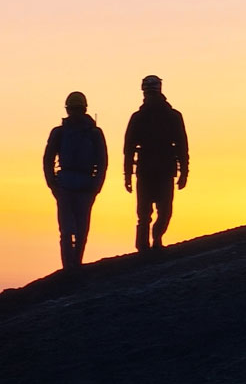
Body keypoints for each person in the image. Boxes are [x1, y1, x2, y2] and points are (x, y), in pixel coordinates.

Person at [123, 74, 189, 252]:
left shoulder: (166, 116)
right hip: (154, 169)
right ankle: (148, 244)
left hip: (158, 168)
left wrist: (127, 174)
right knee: (154, 211)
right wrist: (184, 172)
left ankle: (150, 243)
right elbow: (129, 148)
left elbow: (128, 148)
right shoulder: (169, 116)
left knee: (151, 212)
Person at [43, 91, 108, 269]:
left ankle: (72, 266)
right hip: (75, 186)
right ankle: (71, 266)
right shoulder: (89, 132)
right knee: (75, 230)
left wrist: (53, 184)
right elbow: (103, 162)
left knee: (72, 230)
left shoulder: (87, 133)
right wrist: (53, 184)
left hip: (76, 186)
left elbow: (48, 160)